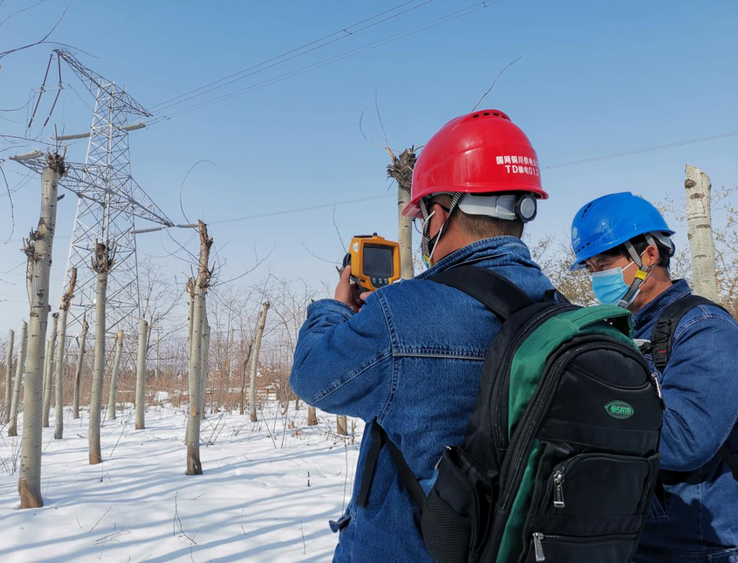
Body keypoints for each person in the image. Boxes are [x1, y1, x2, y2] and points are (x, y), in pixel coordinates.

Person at [290, 109, 553, 561]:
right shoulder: (558, 314)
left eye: (423, 220)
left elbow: (312, 375)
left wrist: (334, 308)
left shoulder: (402, 313)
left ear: (439, 214)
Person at [569, 192, 738, 563]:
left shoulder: (704, 328)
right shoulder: (623, 331)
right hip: (635, 538)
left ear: (648, 254)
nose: (596, 277)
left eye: (604, 263)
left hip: (698, 547)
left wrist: (585, 410)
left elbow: (685, 440)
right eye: (590, 268)